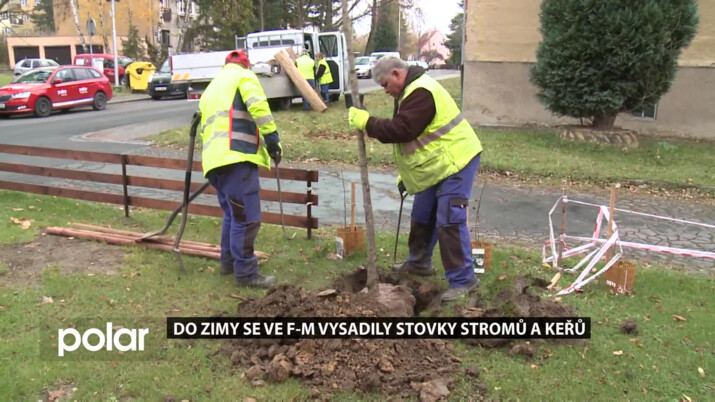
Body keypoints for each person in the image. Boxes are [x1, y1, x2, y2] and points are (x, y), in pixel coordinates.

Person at [348, 57, 484, 301]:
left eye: (385, 84)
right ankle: (419, 262)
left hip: (458, 160)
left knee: (449, 219)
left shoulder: (422, 92)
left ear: (398, 74)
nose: (385, 90)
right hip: (439, 163)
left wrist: (367, 122)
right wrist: (407, 175)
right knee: (422, 212)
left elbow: (402, 130)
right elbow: (416, 138)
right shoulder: (410, 92)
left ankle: (464, 280)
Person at [199, 50, 282, 288]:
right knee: (246, 219)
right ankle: (246, 274)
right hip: (237, 157)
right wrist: (272, 139)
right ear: (245, 65)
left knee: (233, 215)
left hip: (214, 163)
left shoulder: (211, 87)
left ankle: (228, 263)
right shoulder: (244, 77)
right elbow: (259, 107)